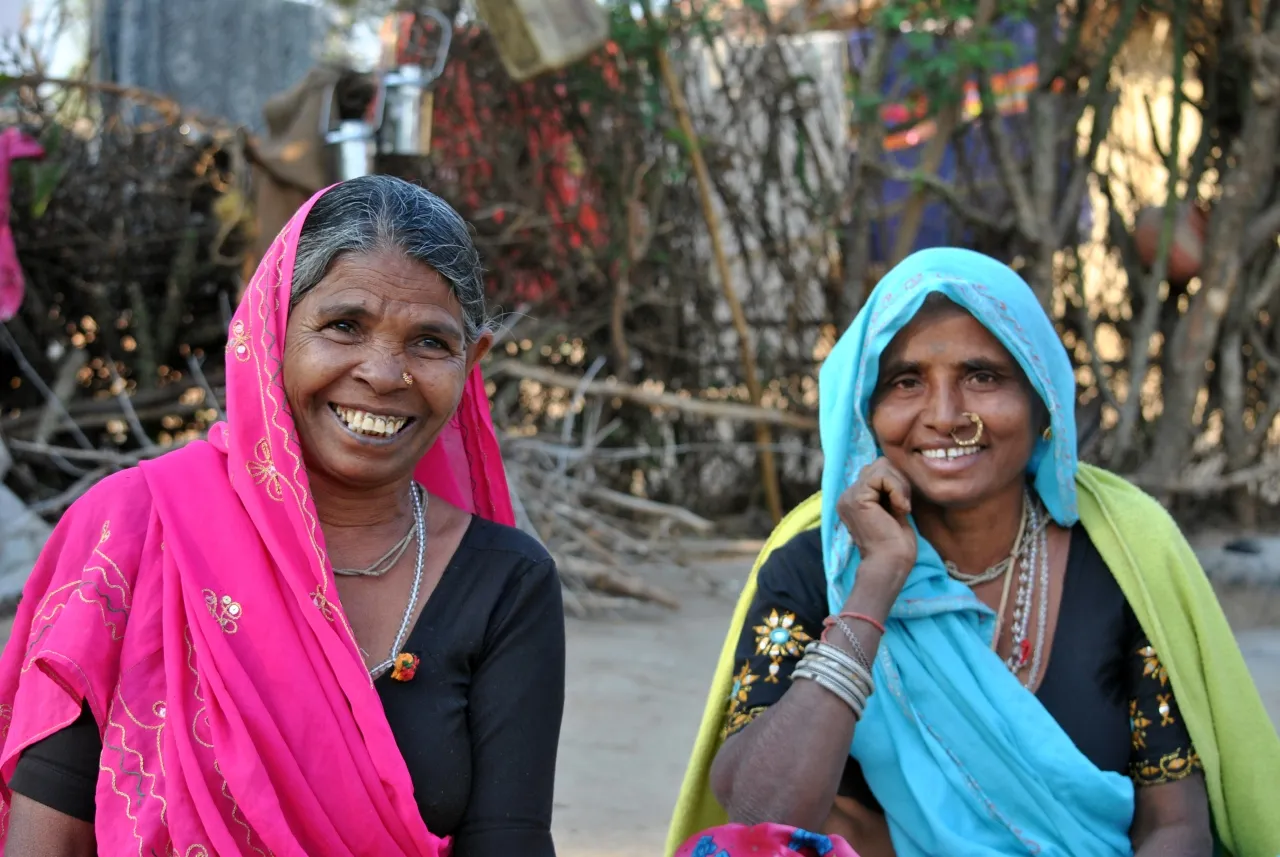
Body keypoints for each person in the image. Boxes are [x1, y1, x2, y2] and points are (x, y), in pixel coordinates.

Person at [0, 176, 566, 857]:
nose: (385, 373)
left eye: (429, 342)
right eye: (344, 326)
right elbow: (47, 834)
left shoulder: (506, 581)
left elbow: (509, 841)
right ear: (270, 329)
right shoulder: (138, 527)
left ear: (471, 361)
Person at [667, 248, 1280, 857]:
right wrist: (875, 584)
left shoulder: (1124, 556)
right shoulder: (817, 567)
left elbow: (1173, 826)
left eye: (982, 377)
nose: (945, 416)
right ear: (866, 412)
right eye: (906, 382)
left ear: (1041, 399)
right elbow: (760, 818)